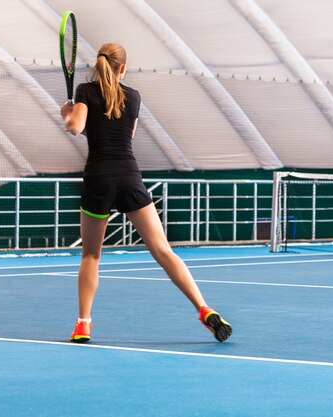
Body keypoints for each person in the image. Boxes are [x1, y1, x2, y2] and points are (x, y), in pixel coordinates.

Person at [60, 43, 232, 343]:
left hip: (98, 179)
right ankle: (204, 309)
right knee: (163, 250)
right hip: (129, 176)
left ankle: (83, 324)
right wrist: (78, 116)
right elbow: (123, 136)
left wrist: (68, 113)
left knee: (90, 256)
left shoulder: (85, 92)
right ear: (122, 68)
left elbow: (76, 128)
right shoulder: (134, 97)